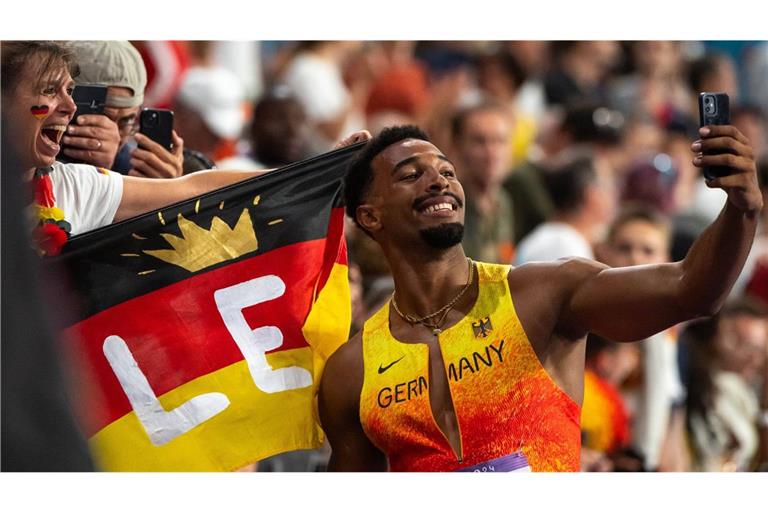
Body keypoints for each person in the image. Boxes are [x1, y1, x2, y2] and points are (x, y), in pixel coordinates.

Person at [318, 121, 761, 472]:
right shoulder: (351, 371)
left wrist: (741, 209)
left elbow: (691, 290)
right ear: (370, 217)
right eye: (411, 175)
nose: (439, 181)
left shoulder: (543, 295)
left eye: (447, 171)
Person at [2, 42, 368, 246]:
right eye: (50, 91)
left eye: (70, 92)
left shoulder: (75, 186)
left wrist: (319, 169)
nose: (68, 108)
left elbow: (194, 187)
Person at [68, 40, 184, 179]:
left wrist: (166, 189)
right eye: (105, 119)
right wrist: (98, 175)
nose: (115, 137)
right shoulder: (41, 152)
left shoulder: (135, 164)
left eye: (126, 122)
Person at [514, 149, 616, 265]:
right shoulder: (564, 246)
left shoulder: (561, 239)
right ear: (590, 194)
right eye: (608, 184)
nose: (613, 194)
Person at [450, 100, 515, 263]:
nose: (491, 153)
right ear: (457, 145)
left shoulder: (503, 200)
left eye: (500, 141)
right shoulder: (448, 204)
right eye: (480, 141)